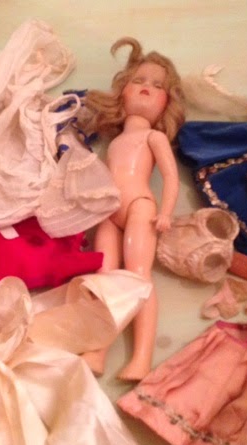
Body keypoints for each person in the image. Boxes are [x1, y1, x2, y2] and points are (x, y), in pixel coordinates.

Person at [80, 37, 185, 380]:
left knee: (139, 277)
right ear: (122, 91)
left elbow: (170, 177)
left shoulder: (153, 138)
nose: (146, 88)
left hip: (140, 206)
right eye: (138, 80)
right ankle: (97, 350)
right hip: (108, 213)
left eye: (157, 86)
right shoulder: (115, 143)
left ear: (167, 102)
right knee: (104, 275)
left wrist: (166, 211)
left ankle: (141, 358)